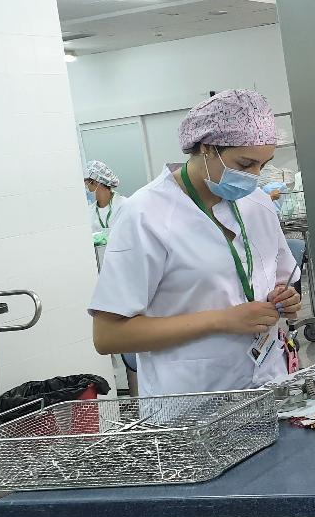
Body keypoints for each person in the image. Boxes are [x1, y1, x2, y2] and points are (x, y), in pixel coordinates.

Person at [88, 89, 302, 396]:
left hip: (268, 386)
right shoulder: (145, 215)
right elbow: (108, 336)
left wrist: (286, 299)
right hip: (191, 401)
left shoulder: (258, 203)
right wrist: (222, 320)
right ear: (205, 148)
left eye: (263, 165)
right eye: (244, 164)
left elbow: (282, 281)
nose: (254, 177)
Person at [84, 160, 126, 247]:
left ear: (96, 182)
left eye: (87, 182)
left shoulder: (124, 205)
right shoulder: (89, 212)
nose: (86, 186)